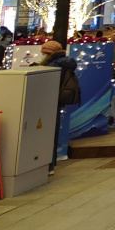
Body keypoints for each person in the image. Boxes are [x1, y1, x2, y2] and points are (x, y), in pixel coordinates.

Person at [36, 39, 81, 172]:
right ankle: (51, 164)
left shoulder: (53, 65)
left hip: (49, 102)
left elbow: (47, 85)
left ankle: (48, 165)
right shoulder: (64, 63)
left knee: (48, 133)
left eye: (44, 53)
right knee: (53, 132)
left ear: (49, 53)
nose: (42, 55)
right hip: (58, 102)